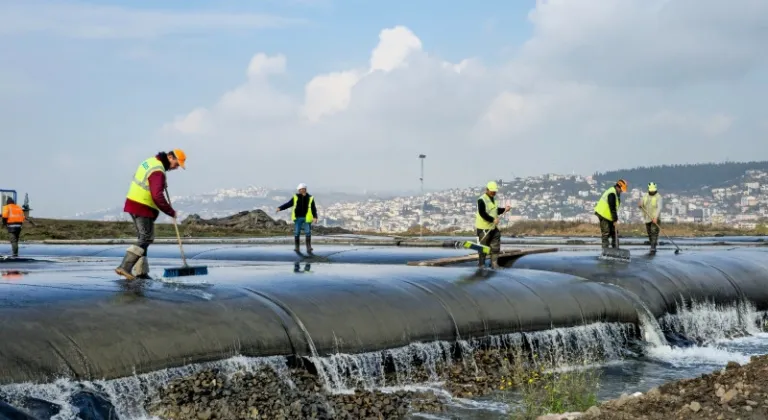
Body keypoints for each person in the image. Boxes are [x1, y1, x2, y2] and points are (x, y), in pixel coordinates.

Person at [115, 149, 186, 280]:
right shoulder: (158, 172)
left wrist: (158, 183)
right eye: (177, 164)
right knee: (146, 238)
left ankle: (141, 272)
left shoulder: (151, 162)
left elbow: (143, 177)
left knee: (143, 238)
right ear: (170, 157)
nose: (176, 168)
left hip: (133, 202)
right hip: (142, 205)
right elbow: (157, 196)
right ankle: (124, 267)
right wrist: (171, 211)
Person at [475, 181, 511, 269]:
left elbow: (496, 210)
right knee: (483, 248)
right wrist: (492, 219)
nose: (493, 193)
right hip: (484, 228)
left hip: (493, 227)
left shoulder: (494, 199)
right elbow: (482, 213)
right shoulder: (481, 200)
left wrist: (504, 210)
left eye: (495, 191)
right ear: (487, 190)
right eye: (492, 191)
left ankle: (494, 264)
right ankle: (481, 265)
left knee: (495, 245)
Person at [276, 183, 319, 253]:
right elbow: (288, 204)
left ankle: (309, 247)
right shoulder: (295, 197)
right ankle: (297, 247)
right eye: (299, 190)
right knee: (297, 232)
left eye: (301, 189)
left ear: (304, 189)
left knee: (308, 232)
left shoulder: (310, 198)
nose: (299, 191)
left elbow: (313, 208)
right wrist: (280, 208)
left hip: (307, 218)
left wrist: (315, 217)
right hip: (297, 218)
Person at [594, 179, 627, 249]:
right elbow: (612, 207)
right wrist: (615, 219)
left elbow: (614, 208)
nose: (621, 191)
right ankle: (605, 250)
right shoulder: (612, 193)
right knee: (606, 233)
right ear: (618, 186)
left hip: (609, 216)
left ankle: (616, 249)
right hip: (603, 214)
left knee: (614, 233)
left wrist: (614, 218)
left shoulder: (615, 193)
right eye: (621, 189)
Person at [639, 182, 663, 254]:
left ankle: (653, 246)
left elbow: (659, 208)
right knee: (649, 232)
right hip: (647, 218)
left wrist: (655, 217)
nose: (652, 192)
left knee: (654, 232)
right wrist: (640, 204)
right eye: (651, 191)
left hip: (655, 218)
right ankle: (652, 243)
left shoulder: (658, 197)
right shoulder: (645, 196)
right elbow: (641, 204)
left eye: (653, 191)